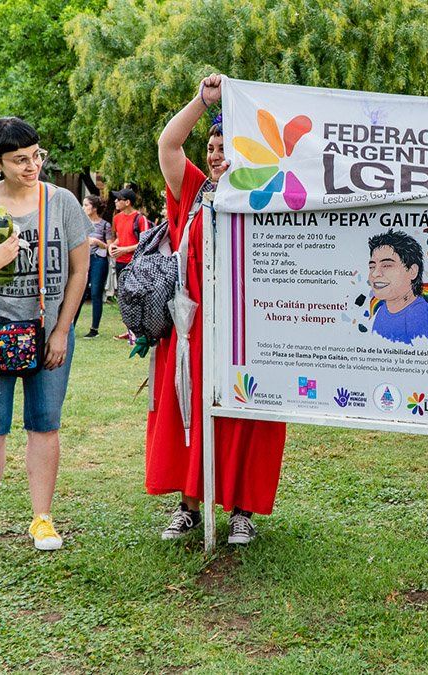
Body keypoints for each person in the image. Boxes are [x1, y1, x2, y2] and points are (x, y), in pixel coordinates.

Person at [149, 74, 287, 545]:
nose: (213, 154)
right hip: (195, 330)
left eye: (224, 146)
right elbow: (168, 144)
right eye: (210, 146)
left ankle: (242, 510)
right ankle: (189, 505)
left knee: (249, 417)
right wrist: (201, 101)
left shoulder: (269, 195)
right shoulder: (192, 191)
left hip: (252, 329)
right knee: (191, 410)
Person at [0, 116, 90, 555]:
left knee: (44, 425)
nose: (32, 166)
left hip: (48, 331)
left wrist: (63, 330)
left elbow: (80, 270)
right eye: (19, 160)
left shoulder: (62, 201)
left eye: (36, 156)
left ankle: (42, 519)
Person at [368, 230, 428, 345]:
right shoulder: (383, 310)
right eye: (372, 266)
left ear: (412, 271)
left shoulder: (419, 317)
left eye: (387, 265)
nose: (375, 273)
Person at [109, 187, 147, 341]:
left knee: (137, 297)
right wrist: (113, 245)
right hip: (120, 263)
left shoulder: (140, 218)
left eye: (119, 199)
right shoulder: (117, 218)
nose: (115, 201)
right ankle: (129, 330)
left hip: (135, 263)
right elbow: (120, 237)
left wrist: (125, 250)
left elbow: (145, 242)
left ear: (127, 202)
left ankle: (140, 331)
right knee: (124, 298)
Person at [81, 194, 112, 338]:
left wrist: (97, 242)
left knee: (95, 293)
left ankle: (94, 329)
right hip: (83, 259)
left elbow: (110, 248)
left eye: (86, 205)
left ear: (94, 208)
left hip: (98, 259)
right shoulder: (80, 223)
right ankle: (70, 327)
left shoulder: (105, 225)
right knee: (79, 293)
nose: (83, 208)